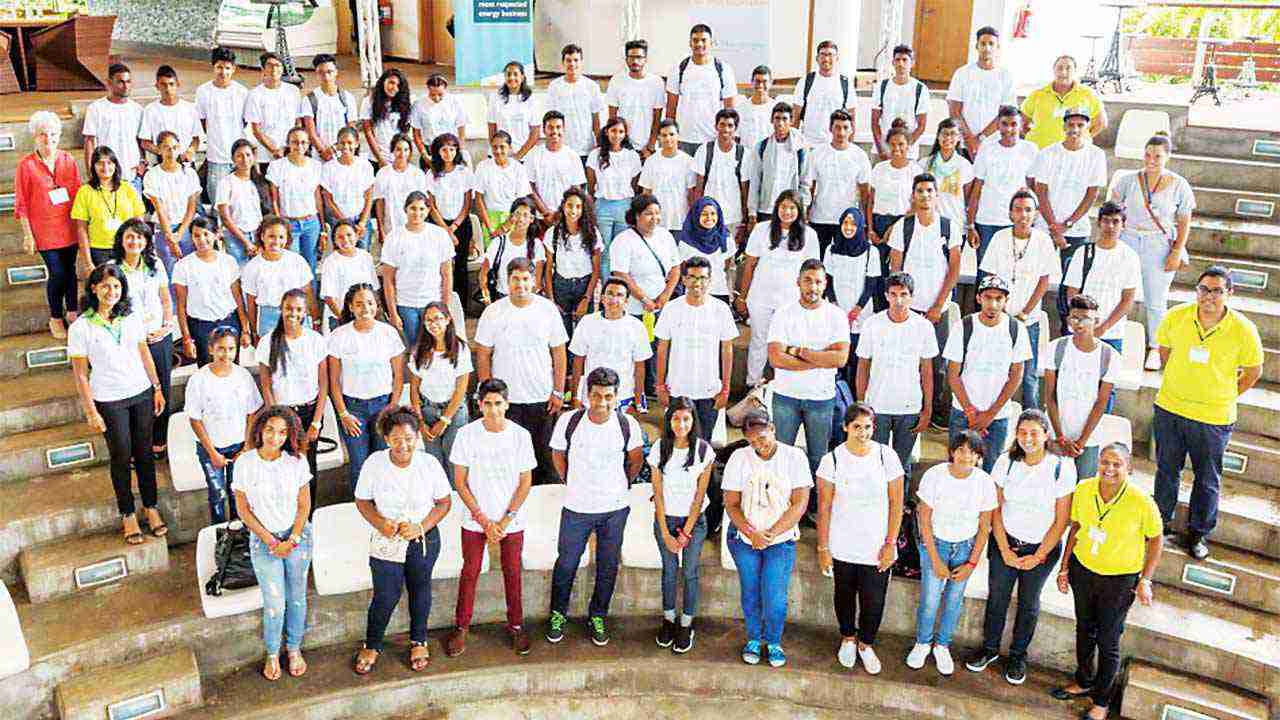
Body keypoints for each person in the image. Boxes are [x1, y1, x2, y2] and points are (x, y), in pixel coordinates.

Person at [1152, 266, 1263, 561]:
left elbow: (1253, 372)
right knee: (1166, 470)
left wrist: (1224, 395)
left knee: (1207, 478)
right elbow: (1165, 352)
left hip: (1213, 418)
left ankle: (1198, 534)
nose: (1209, 296)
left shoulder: (1243, 329)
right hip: (1170, 409)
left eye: (1217, 291)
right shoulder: (1177, 316)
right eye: (1203, 289)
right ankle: (1159, 523)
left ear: (1229, 293)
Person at [1053, 443, 1162, 720]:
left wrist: (1145, 579)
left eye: (1116, 464)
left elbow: (1156, 539)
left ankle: (1101, 701)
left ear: (1129, 468)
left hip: (1119, 580)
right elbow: (1076, 528)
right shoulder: (1084, 488)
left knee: (1108, 640)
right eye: (1104, 462)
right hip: (1083, 570)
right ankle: (1083, 680)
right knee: (1083, 629)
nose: (1109, 469)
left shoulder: (1141, 501)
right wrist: (1064, 568)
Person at [965, 409, 1074, 684]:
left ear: (1046, 435)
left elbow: (1062, 519)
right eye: (1022, 432)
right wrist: (1004, 550)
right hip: (1005, 541)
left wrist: (1038, 556)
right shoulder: (1006, 462)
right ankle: (989, 648)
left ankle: (1017, 655)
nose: (1028, 438)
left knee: (1029, 602)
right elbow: (995, 509)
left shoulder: (1061, 467)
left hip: (1042, 549)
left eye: (1034, 433)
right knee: (998, 597)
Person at [68, 263, 166, 545]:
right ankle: (128, 514)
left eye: (117, 286)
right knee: (121, 455)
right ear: (94, 288)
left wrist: (157, 388)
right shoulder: (81, 327)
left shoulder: (131, 317)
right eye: (105, 286)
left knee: (144, 453)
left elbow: (144, 354)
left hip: (141, 392)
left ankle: (151, 507)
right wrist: (91, 411)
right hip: (109, 399)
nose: (111, 291)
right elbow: (81, 374)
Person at [547, 367, 644, 646]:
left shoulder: (627, 424)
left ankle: (598, 615)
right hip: (577, 507)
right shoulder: (569, 421)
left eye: (608, 397)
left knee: (608, 565)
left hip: (614, 509)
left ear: (617, 396)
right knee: (566, 563)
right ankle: (558, 614)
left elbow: (635, 460)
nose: (602, 402)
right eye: (597, 396)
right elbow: (558, 454)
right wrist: (571, 481)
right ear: (587, 394)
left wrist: (620, 485)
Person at [352, 406, 453, 675]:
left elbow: (444, 503)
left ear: (417, 436)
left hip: (423, 539)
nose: (403, 445)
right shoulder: (374, 463)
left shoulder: (429, 463)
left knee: (421, 588)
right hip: (387, 538)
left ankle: (419, 640)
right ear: (386, 439)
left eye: (409, 438)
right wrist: (380, 523)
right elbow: (362, 501)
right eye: (396, 439)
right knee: (386, 595)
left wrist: (421, 527)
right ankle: (372, 644)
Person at [446, 378, 537, 657]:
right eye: (488, 403)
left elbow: (525, 481)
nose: (494, 409)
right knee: (470, 571)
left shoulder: (521, 435)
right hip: (476, 519)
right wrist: (483, 520)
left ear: (507, 404)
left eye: (498, 403)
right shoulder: (466, 435)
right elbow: (460, 482)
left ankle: (516, 625)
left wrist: (505, 520)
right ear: (479, 404)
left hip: (511, 520)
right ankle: (461, 627)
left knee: (513, 571)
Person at [815, 402, 904, 676]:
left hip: (876, 546)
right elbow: (824, 507)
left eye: (868, 427)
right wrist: (823, 547)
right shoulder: (831, 460)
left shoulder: (887, 456)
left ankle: (865, 644)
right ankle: (848, 639)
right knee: (844, 595)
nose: (863, 433)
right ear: (845, 427)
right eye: (857, 427)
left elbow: (896, 503)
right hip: (842, 544)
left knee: (873, 600)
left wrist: (890, 543)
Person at [722, 409, 813, 668]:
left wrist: (770, 534)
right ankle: (753, 638)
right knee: (751, 591)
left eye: (762, 438)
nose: (758, 445)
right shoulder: (739, 458)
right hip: (745, 539)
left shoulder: (794, 457)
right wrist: (752, 533)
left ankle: (773, 641)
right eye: (752, 441)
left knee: (775, 596)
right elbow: (731, 503)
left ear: (772, 429)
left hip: (780, 540)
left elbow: (799, 503)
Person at [234, 406, 313, 681]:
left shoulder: (297, 461)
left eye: (282, 432)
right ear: (259, 430)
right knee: (275, 603)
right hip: (264, 540)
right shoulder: (245, 463)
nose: (275, 437)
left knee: (297, 597)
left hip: (297, 537)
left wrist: (292, 539)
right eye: (270, 430)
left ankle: (294, 648)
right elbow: (243, 510)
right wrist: (271, 541)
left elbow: (304, 505)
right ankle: (271, 652)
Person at [474, 257, 569, 486]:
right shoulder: (493, 312)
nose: (521, 284)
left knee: (545, 461)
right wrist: (489, 396)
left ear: (534, 280)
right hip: (506, 401)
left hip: (541, 398)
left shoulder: (547, 310)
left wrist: (558, 391)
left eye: (525, 279)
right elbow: (483, 355)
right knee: (510, 462)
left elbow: (559, 353)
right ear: (506, 281)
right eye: (515, 279)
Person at [907, 430, 995, 675]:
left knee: (954, 599)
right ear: (952, 452)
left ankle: (942, 645)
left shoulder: (984, 482)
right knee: (930, 599)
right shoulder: (935, 475)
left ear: (979, 456)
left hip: (965, 547)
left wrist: (971, 563)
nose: (966, 456)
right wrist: (935, 559)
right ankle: (923, 643)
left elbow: (984, 526)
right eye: (961, 450)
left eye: (972, 452)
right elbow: (924, 519)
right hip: (936, 543)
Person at [1111, 132, 1196, 371]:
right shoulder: (1128, 180)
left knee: (1155, 299)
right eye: (1147, 155)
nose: (1151, 160)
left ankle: (1156, 348)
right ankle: (1113, 339)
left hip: (1158, 243)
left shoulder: (1179, 184)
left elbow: (1184, 220)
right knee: (1117, 291)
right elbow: (1113, 209)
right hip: (1128, 238)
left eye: (1157, 156)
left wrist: (1176, 251)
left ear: (1167, 157)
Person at [767, 259, 850, 483]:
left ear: (825, 284)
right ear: (798, 282)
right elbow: (775, 357)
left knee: (819, 459)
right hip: (785, 396)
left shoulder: (836, 315)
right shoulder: (783, 313)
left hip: (821, 398)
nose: (813, 287)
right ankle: (783, 500)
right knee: (781, 456)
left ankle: (814, 503)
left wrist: (798, 351)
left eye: (818, 282)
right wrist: (821, 359)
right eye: (808, 280)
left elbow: (840, 358)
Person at [888, 173, 961, 425]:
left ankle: (936, 415)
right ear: (913, 195)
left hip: (938, 309)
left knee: (938, 364)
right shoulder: (903, 227)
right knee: (906, 361)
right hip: (909, 310)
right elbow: (896, 270)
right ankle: (909, 409)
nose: (925, 195)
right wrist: (902, 306)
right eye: (920, 191)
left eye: (930, 190)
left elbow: (954, 269)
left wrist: (938, 305)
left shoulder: (949, 227)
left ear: (937, 195)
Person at [945, 274, 1032, 473]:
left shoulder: (1016, 329)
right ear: (978, 298)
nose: (993, 304)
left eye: (999, 298)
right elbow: (953, 374)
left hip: (998, 415)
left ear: (1006, 300)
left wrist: (990, 414)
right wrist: (970, 412)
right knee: (958, 468)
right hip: (963, 412)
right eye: (988, 298)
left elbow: (1016, 375)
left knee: (993, 471)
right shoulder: (964, 326)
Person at [978, 190, 1055, 409]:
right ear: (1010, 213)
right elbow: (990, 277)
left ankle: (1032, 418)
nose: (1023, 215)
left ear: (1036, 214)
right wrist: (999, 311)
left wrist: (1024, 313)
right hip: (998, 318)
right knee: (996, 370)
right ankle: (993, 413)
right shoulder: (999, 238)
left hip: (1028, 320)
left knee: (1029, 374)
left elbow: (1044, 281)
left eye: (1028, 210)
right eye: (1018, 209)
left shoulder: (1043, 241)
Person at [856, 272, 937, 480]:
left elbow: (927, 372)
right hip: (877, 406)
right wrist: (861, 404)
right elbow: (863, 366)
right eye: (893, 294)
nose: (898, 300)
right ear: (886, 295)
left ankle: (901, 501)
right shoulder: (872, 324)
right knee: (875, 464)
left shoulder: (924, 327)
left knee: (902, 467)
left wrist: (927, 409)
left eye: (903, 294)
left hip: (909, 408)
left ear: (912, 296)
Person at [649, 397, 715, 653]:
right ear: (669, 420)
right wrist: (666, 533)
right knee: (668, 570)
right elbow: (658, 493)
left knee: (689, 572)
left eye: (686, 418)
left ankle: (686, 623)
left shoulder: (703, 451)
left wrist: (685, 533)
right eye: (676, 418)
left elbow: (699, 496)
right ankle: (668, 619)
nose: (681, 424)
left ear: (693, 420)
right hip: (665, 519)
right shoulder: (659, 448)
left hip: (693, 522)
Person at [737, 190, 821, 387]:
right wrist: (742, 297)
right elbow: (749, 265)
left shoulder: (809, 235)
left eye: (792, 207)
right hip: (760, 298)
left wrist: (812, 301)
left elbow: (813, 271)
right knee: (759, 341)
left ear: (799, 210)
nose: (787, 211)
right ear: (776, 208)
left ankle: (784, 386)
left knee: (787, 343)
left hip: (791, 301)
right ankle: (752, 385)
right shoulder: (761, 229)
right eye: (783, 207)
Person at [328, 284, 406, 492]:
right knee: (360, 464)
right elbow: (334, 381)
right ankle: (361, 506)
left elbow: (398, 377)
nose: (365, 308)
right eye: (359, 304)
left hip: (383, 406)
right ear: (350, 307)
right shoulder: (339, 336)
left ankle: (383, 503)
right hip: (353, 409)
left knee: (383, 461)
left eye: (370, 303)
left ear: (377, 305)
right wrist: (343, 413)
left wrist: (392, 407)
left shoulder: (388, 333)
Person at [110, 219, 176, 460]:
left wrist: (166, 326)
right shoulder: (112, 268)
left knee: (162, 388)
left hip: (158, 336)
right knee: (136, 392)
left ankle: (158, 440)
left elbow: (166, 299)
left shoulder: (155, 264)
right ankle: (137, 444)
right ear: (121, 240)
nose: (134, 241)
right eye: (129, 236)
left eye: (140, 237)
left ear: (147, 241)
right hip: (130, 341)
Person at [256, 289, 330, 499]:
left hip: (309, 412)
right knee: (283, 465)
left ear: (305, 312)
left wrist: (316, 422)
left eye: (298, 309)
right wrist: (275, 419)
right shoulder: (268, 342)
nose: (293, 314)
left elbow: (323, 383)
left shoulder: (315, 340)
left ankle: (307, 513)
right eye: (289, 308)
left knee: (307, 467)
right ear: (281, 309)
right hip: (282, 413)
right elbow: (266, 385)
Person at [186, 326, 263, 524]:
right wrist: (212, 452)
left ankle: (239, 530)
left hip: (239, 446)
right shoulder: (198, 380)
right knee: (217, 493)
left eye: (231, 349)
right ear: (210, 349)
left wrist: (247, 445)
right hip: (211, 448)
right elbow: (195, 419)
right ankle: (220, 531)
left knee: (238, 492)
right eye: (221, 348)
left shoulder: (243, 376)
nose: (226, 354)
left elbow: (252, 413)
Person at [15, 110, 82, 339]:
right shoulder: (26, 165)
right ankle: (55, 316)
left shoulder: (68, 160)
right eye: (43, 134)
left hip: (69, 228)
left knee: (70, 271)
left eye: (53, 134)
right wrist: (28, 235)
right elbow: (22, 203)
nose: (48, 139)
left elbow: (78, 195)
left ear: (59, 135)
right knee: (57, 272)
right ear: (35, 136)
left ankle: (72, 313)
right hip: (44, 232)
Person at [611, 193, 684, 395]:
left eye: (657, 213)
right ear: (636, 216)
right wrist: (644, 298)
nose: (654, 218)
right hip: (635, 307)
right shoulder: (623, 240)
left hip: (660, 306)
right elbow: (620, 274)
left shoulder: (665, 236)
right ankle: (634, 389)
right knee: (636, 347)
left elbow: (676, 268)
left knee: (659, 345)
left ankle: (655, 387)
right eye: (648, 214)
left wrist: (665, 296)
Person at [1045, 294, 1121, 481]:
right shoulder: (1056, 348)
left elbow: (1101, 402)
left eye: (1085, 318)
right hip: (1056, 432)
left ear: (1096, 321)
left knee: (1082, 487)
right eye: (1075, 318)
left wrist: (1081, 441)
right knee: (1052, 484)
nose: (1079, 324)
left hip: (1089, 437)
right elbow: (1050, 396)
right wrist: (1060, 438)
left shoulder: (1109, 356)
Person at [655, 254, 736, 424]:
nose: (697, 283)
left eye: (702, 278)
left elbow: (727, 350)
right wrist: (660, 386)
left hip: (709, 391)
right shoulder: (671, 308)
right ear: (684, 279)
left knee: (704, 439)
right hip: (677, 389)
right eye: (691, 277)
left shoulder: (721, 309)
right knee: (676, 437)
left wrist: (725, 390)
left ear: (710, 280)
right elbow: (662, 349)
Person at [1032, 107, 1107, 278]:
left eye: (1080, 125)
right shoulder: (1047, 153)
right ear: (1064, 127)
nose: (1075, 129)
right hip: (1045, 227)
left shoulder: (1096, 155)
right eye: (1071, 124)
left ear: (1087, 127)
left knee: (1073, 280)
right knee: (1036, 277)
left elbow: (1092, 194)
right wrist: (1054, 227)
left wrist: (1067, 224)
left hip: (1077, 229)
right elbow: (1040, 192)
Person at [1063, 202, 1141, 366]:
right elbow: (1072, 293)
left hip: (1112, 333)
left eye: (1115, 221)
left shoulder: (1130, 257)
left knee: (1107, 378)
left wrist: (1103, 328)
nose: (1110, 226)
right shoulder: (1083, 253)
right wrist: (1083, 322)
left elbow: (1127, 300)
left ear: (1123, 225)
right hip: (1080, 330)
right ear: (1098, 223)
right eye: (1106, 220)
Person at [968, 106, 1038, 274]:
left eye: (1014, 124)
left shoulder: (1030, 149)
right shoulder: (987, 148)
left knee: (1012, 272)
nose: (1009, 129)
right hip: (987, 221)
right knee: (986, 274)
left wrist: (1032, 221)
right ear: (998, 125)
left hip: (1015, 222)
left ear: (1021, 126)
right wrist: (970, 224)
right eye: (1004, 124)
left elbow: (1032, 189)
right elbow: (977, 188)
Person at [407, 301, 471, 474]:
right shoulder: (419, 351)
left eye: (437, 318)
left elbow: (461, 388)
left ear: (448, 319)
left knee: (454, 459)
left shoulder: (460, 348)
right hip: (428, 410)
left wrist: (445, 420)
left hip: (454, 410)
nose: (433, 324)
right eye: (428, 320)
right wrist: (420, 421)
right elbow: (414, 388)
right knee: (433, 461)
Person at [569, 278, 651, 411]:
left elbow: (640, 366)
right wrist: (575, 397)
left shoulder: (637, 327)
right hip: (591, 396)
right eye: (610, 294)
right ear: (602, 298)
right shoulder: (587, 322)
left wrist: (637, 400)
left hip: (623, 397)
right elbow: (578, 361)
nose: (614, 299)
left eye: (620, 295)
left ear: (626, 301)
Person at [143, 131, 202, 299]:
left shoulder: (189, 173)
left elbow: (192, 206)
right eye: (166, 148)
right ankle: (174, 310)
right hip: (164, 229)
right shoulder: (152, 175)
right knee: (169, 273)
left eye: (175, 147)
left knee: (191, 272)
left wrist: (180, 233)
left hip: (187, 227)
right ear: (159, 149)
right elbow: (159, 208)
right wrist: (170, 237)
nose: (171, 152)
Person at [824, 206, 879, 385]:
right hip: (836, 310)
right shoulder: (831, 249)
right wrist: (834, 305)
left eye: (853, 224)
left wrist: (857, 309)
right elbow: (827, 280)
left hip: (860, 313)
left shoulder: (871, 252)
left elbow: (871, 284)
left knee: (857, 360)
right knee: (836, 358)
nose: (848, 227)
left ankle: (855, 396)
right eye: (845, 223)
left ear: (861, 226)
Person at [805, 110, 871, 258]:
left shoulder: (860, 156)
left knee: (843, 264)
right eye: (837, 127)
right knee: (818, 261)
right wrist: (805, 216)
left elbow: (865, 194)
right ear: (830, 128)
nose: (841, 132)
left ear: (851, 129)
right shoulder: (817, 154)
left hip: (848, 222)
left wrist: (866, 223)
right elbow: (809, 188)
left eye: (845, 127)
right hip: (819, 218)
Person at [666, 24, 737, 156]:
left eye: (703, 40)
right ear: (690, 43)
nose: (699, 44)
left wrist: (728, 138)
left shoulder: (724, 69)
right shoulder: (678, 69)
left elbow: (730, 110)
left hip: (712, 138)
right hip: (683, 139)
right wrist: (669, 137)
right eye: (695, 40)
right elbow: (671, 108)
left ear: (711, 43)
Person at [267, 126, 326, 284]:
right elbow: (274, 199)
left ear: (308, 144)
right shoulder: (277, 166)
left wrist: (322, 226)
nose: (299, 146)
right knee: (290, 267)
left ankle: (311, 299)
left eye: (303, 142)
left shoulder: (315, 166)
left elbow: (318, 197)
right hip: (288, 223)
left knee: (310, 266)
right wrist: (280, 225)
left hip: (311, 223)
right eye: (295, 142)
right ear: (288, 143)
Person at [945, 27, 1015, 159]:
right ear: (977, 46)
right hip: (964, 143)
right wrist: (969, 139)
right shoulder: (962, 73)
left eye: (991, 44)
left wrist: (980, 138)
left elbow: (1005, 114)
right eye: (983, 43)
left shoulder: (1006, 76)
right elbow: (954, 110)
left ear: (997, 47)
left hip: (994, 143)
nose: (987, 48)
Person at [241, 216, 315, 341]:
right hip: (268, 318)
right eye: (271, 236)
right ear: (262, 236)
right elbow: (251, 302)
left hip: (296, 314)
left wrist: (314, 319)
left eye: (281, 237)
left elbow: (308, 292)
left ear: (287, 239)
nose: (276, 241)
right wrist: (254, 331)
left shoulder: (297, 261)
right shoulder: (252, 267)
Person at [72, 146, 146, 267]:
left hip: (127, 247)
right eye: (100, 163)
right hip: (99, 251)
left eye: (109, 163)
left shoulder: (127, 188)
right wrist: (88, 262)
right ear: (93, 166)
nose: (105, 167)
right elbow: (82, 229)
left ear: (115, 165)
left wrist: (140, 250)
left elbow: (139, 222)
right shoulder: (84, 192)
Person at [545, 187, 603, 340]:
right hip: (561, 287)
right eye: (569, 205)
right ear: (563, 206)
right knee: (562, 335)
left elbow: (596, 270)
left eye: (578, 207)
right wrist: (551, 300)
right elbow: (548, 269)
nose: (573, 211)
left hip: (584, 286)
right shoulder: (553, 233)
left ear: (584, 210)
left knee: (584, 335)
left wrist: (586, 298)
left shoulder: (592, 233)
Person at [865, 121, 921, 277]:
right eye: (893, 144)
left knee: (899, 272)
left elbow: (916, 205)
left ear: (908, 145)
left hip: (904, 222)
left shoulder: (915, 171)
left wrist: (894, 228)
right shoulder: (879, 169)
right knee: (879, 271)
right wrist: (870, 229)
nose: (897, 148)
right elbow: (871, 201)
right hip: (879, 224)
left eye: (901, 144)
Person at [196, 47, 250, 206]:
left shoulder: (242, 92)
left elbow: (245, 121)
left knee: (240, 202)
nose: (223, 72)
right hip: (216, 157)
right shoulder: (203, 91)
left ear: (233, 69)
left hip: (239, 157)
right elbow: (202, 120)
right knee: (219, 203)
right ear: (214, 67)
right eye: (219, 67)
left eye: (227, 68)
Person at [585, 116, 641, 270]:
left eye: (621, 131)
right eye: (613, 131)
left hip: (624, 207)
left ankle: (620, 283)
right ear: (607, 132)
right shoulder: (595, 155)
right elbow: (591, 185)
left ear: (625, 134)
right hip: (603, 207)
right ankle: (605, 283)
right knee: (604, 252)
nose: (617, 135)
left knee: (621, 251)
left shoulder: (632, 156)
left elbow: (634, 184)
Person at [425, 133, 474, 307]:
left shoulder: (464, 172)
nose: (448, 153)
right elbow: (431, 206)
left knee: (461, 266)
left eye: (452, 149)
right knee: (439, 266)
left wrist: (454, 226)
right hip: (438, 225)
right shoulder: (431, 174)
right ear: (437, 152)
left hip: (460, 224)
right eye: (444, 150)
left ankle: (461, 307)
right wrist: (446, 230)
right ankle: (440, 305)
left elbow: (467, 203)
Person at [692, 109, 749, 256]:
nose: (726, 129)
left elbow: (745, 190)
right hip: (709, 217)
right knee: (708, 257)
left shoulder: (744, 154)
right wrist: (696, 215)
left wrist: (745, 220)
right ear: (716, 126)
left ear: (736, 129)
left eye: (730, 125)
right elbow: (698, 187)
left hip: (733, 217)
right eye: (722, 124)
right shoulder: (704, 150)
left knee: (730, 260)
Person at [1020, 55, 1107, 149]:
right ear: (1054, 70)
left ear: (1075, 71)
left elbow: (1100, 123)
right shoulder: (1037, 95)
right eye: (1059, 68)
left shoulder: (1088, 94)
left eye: (1068, 68)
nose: (1063, 72)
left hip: (1074, 152)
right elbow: (1022, 122)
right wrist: (1035, 139)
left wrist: (1083, 138)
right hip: (1040, 150)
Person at [83, 63, 145, 193]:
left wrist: (142, 162)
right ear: (109, 83)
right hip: (105, 176)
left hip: (132, 176)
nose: (126, 86)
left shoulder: (137, 109)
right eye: (121, 82)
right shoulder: (96, 109)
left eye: (128, 81)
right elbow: (89, 142)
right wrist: (91, 172)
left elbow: (140, 140)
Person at [745, 103, 808, 224]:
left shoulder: (800, 148)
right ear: (771, 120)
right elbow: (755, 180)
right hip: (766, 210)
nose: (780, 123)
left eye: (784, 119)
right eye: (777, 118)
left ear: (791, 121)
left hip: (791, 210)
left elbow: (805, 181)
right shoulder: (761, 146)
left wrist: (803, 208)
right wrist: (752, 212)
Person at [639, 120, 698, 243]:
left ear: (678, 136)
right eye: (664, 135)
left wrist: (692, 219)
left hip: (680, 220)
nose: (668, 138)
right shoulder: (651, 161)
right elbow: (646, 193)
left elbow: (691, 194)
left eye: (671, 134)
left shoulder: (688, 161)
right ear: (659, 138)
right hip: (657, 221)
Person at [473, 130, 534, 248]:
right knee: (493, 254)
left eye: (502, 147)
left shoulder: (518, 168)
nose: (498, 151)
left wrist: (506, 226)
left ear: (510, 148)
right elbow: (479, 199)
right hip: (490, 219)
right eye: (494, 147)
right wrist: (489, 227)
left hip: (515, 218)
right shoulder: (483, 167)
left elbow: (522, 202)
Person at [607, 39, 665, 159]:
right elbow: (612, 117)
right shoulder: (616, 81)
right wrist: (618, 145)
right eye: (631, 57)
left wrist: (650, 146)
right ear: (626, 59)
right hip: (623, 146)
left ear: (645, 59)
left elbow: (657, 117)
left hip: (648, 147)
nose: (635, 61)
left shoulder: (656, 82)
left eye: (639, 57)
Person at [547, 44, 605, 163]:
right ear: (563, 63)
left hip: (586, 149)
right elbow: (551, 119)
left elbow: (596, 120)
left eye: (576, 60)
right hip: (563, 149)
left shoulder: (592, 86)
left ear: (581, 62)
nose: (572, 64)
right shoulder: (554, 86)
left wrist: (600, 146)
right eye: (568, 60)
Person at [320, 126, 376, 249]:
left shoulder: (365, 165)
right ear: (337, 145)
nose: (346, 146)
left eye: (350, 143)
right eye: (342, 143)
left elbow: (369, 195)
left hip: (361, 219)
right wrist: (344, 222)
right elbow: (328, 199)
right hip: (338, 219)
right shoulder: (329, 168)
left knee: (362, 253)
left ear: (356, 144)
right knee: (341, 253)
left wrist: (362, 222)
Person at [481, 198, 547, 303]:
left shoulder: (537, 245)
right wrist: (485, 293)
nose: (520, 219)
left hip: (527, 299)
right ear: (511, 217)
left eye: (525, 215)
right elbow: (484, 273)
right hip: (502, 298)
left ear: (531, 219)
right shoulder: (498, 242)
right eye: (517, 214)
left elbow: (537, 282)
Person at [244, 53, 302, 168]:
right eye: (269, 65)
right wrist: (274, 150)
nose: (274, 69)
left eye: (277, 65)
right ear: (263, 69)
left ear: (282, 69)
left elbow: (298, 122)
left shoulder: (293, 91)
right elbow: (256, 130)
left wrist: (287, 148)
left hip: (291, 152)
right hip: (266, 156)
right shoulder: (255, 94)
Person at [871, 45, 928, 162]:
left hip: (908, 153)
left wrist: (904, 148)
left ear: (912, 63)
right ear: (893, 62)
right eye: (897, 60)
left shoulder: (920, 89)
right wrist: (882, 148)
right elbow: (874, 122)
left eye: (905, 60)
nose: (901, 64)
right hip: (883, 151)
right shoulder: (882, 86)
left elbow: (921, 126)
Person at [526, 111, 587, 218]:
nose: (555, 131)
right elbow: (529, 187)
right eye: (550, 127)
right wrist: (545, 213)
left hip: (566, 216)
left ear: (564, 129)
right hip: (541, 217)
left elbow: (576, 189)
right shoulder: (533, 155)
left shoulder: (573, 156)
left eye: (558, 127)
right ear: (544, 130)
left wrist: (563, 213)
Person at [216, 139, 267, 266]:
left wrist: (260, 240)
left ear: (254, 157)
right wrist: (246, 242)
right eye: (239, 156)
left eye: (248, 155)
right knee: (239, 272)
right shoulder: (226, 183)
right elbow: (225, 218)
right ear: (233, 159)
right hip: (235, 236)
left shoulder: (259, 181)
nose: (245, 159)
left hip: (257, 234)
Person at [319, 220, 379, 329]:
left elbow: (373, 289)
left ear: (356, 235)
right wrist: (344, 321)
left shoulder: (365, 256)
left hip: (365, 316)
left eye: (349, 235)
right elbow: (329, 298)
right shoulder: (331, 262)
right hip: (340, 318)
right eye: (340, 237)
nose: (345, 240)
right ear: (334, 241)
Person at [372, 133, 430, 243]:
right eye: (398, 149)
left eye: (406, 150)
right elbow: (379, 204)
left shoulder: (418, 174)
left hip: (414, 227)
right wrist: (381, 230)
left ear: (410, 152)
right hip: (390, 227)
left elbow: (423, 205)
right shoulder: (383, 173)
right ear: (392, 151)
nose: (402, 154)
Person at [300, 53, 358, 162]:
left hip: (343, 154)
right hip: (318, 157)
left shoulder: (347, 98)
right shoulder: (310, 99)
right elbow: (310, 131)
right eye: (321, 72)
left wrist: (335, 149)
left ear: (336, 72)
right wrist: (323, 151)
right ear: (316, 74)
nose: (326, 76)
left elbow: (351, 128)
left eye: (329, 72)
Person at [795, 41, 854, 147]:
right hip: (808, 144)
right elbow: (796, 115)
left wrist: (848, 147)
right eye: (822, 54)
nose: (826, 59)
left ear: (837, 58)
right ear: (817, 58)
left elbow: (852, 117)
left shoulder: (845, 83)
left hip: (835, 145)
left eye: (830, 55)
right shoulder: (805, 81)